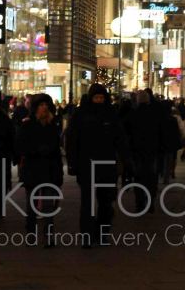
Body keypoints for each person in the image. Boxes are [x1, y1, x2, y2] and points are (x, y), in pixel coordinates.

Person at [65, 83, 129, 246]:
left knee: (105, 202)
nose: (99, 100)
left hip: (106, 164)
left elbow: (120, 139)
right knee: (87, 202)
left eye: (101, 97)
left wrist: (125, 159)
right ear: (91, 98)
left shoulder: (111, 114)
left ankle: (102, 233)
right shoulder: (81, 115)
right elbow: (72, 140)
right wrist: (72, 163)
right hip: (86, 164)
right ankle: (86, 235)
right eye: (96, 97)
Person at [15, 94, 63, 247]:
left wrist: (59, 171)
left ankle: (49, 235)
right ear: (35, 108)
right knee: (31, 205)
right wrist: (36, 150)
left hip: (49, 169)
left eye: (46, 105)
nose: (44, 107)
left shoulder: (52, 126)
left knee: (49, 205)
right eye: (41, 105)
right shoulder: (28, 125)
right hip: (33, 169)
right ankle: (31, 232)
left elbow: (56, 151)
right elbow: (21, 146)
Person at [123, 90, 165, 213]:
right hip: (152, 150)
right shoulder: (155, 115)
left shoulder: (133, 114)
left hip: (137, 151)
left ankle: (140, 203)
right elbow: (161, 132)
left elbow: (125, 131)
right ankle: (150, 202)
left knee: (138, 177)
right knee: (151, 177)